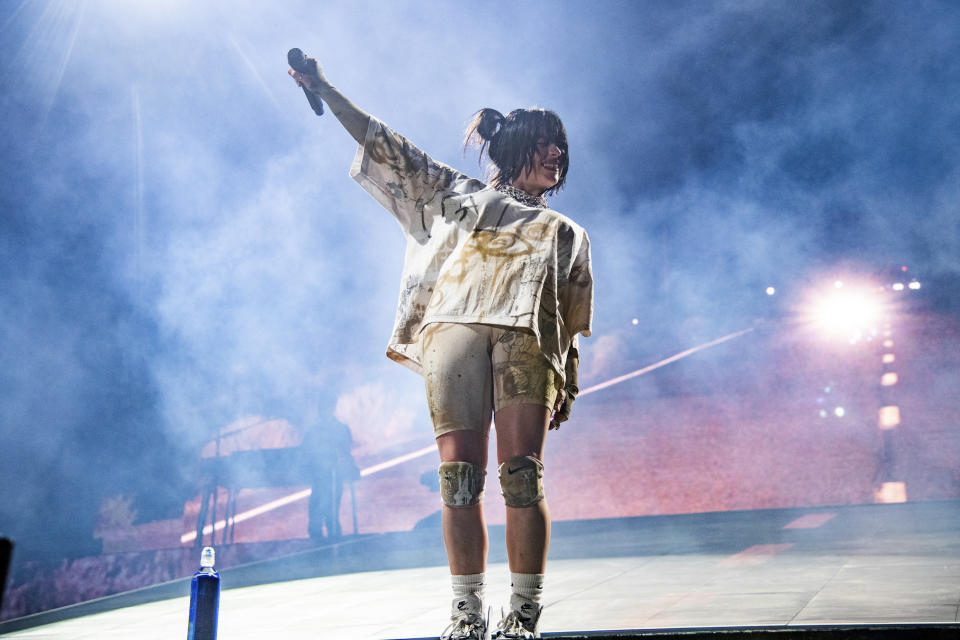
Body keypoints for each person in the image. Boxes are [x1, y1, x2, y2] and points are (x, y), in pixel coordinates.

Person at [290, 57, 593, 640]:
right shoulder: (456, 195)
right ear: (515, 148)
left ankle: (524, 615)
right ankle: (467, 612)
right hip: (454, 328)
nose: (558, 155)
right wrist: (324, 88)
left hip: (526, 341)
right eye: (547, 144)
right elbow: (385, 142)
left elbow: (568, 319)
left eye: (562, 147)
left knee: (523, 477)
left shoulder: (568, 233)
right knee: (458, 479)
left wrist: (568, 379)